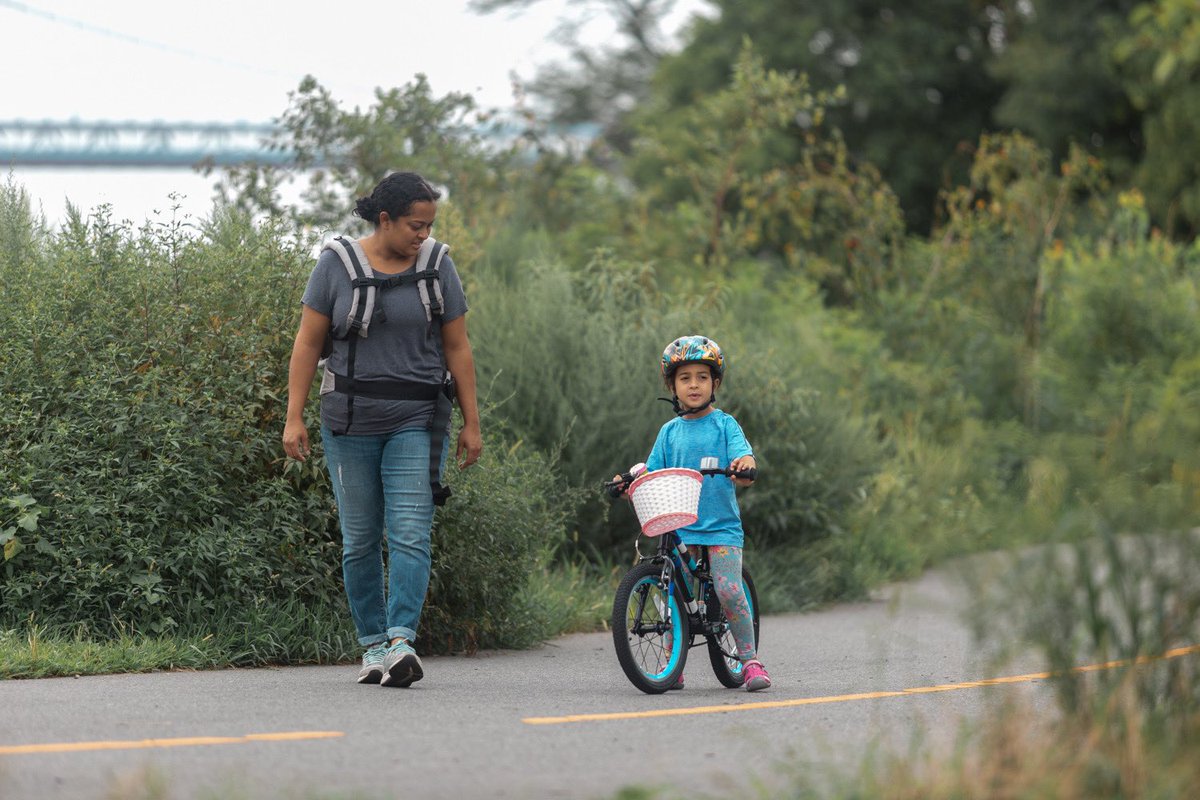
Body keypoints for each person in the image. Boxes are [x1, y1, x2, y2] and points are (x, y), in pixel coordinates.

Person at [282, 171, 482, 688]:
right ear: (386, 219)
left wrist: (471, 423)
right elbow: (307, 343)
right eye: (416, 226)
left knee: (412, 532)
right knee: (360, 540)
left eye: (429, 225)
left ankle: (400, 641)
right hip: (348, 421)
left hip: (416, 417)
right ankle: (371, 646)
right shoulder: (337, 265)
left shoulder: (438, 266)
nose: (423, 235)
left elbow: (457, 347)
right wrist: (293, 415)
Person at [637, 334, 770, 691]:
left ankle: (750, 661)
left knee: (727, 589)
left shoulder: (725, 425)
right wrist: (628, 479)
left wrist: (744, 465)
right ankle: (672, 664)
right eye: (685, 378)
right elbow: (651, 471)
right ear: (672, 385)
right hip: (679, 526)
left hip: (721, 527)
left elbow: (745, 458)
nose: (693, 384)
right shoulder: (668, 433)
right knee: (672, 596)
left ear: (715, 383)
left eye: (701, 377)